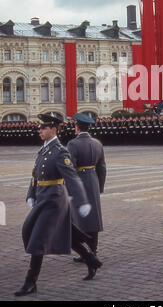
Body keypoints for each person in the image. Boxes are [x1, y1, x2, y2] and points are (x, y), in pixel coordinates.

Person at [15, 114, 102, 297]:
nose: (40, 130)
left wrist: (82, 201)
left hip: (54, 200)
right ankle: (90, 259)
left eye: (43, 128)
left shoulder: (60, 151)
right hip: (43, 198)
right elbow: (35, 175)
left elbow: (71, 178)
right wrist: (30, 194)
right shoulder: (44, 150)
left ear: (54, 129)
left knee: (37, 239)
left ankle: (30, 282)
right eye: (40, 128)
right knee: (66, 235)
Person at [67, 113, 106, 263]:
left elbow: (70, 168)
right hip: (93, 180)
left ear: (77, 128)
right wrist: (100, 186)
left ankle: (86, 253)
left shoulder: (72, 144)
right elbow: (102, 167)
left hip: (79, 182)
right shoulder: (97, 143)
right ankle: (93, 250)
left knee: (79, 218)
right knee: (94, 217)